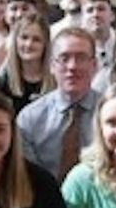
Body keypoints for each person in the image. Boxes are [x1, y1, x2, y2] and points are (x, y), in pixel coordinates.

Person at [17, 26, 101, 181]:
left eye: (81, 58)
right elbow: (28, 177)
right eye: (64, 58)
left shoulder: (110, 114)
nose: (72, 67)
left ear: (94, 65)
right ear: (51, 66)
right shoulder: (29, 119)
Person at [0, 13, 54, 115]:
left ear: (45, 44)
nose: (29, 44)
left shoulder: (56, 79)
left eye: (36, 40)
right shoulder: (3, 80)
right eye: (24, 37)